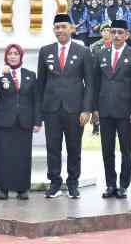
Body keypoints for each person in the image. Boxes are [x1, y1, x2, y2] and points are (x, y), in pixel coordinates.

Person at [36, 13, 94, 199]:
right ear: (54, 30)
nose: (60, 30)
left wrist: (86, 109)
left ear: (72, 28)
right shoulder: (45, 51)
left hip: (75, 109)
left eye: (64, 26)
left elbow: (90, 83)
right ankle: (54, 182)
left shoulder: (83, 51)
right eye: (57, 27)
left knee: (74, 147)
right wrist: (39, 113)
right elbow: (41, 84)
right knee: (53, 147)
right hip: (51, 109)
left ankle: (72, 183)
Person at [0, 44, 42, 200]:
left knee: (22, 155)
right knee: (3, 155)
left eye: (16, 53)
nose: (13, 56)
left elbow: (36, 100)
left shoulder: (30, 75)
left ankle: (22, 188)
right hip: (3, 121)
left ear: (21, 56)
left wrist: (37, 121)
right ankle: (3, 188)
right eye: (10, 54)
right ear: (6, 57)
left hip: (24, 121)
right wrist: (0, 73)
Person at [92, 19, 131, 199]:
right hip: (105, 110)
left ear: (127, 35)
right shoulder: (101, 54)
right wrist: (94, 108)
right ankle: (110, 184)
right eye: (113, 32)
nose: (116, 36)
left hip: (125, 111)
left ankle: (123, 185)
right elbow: (95, 84)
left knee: (125, 149)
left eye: (120, 32)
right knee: (107, 150)